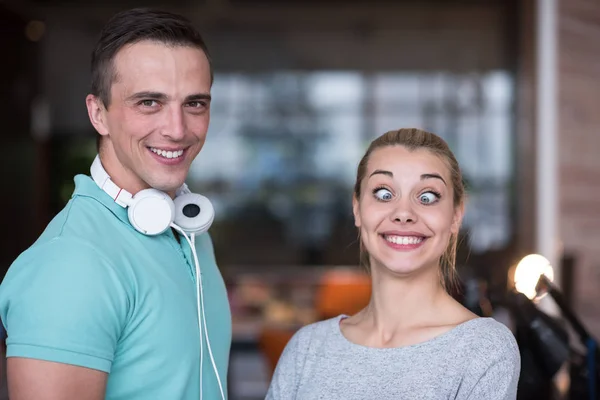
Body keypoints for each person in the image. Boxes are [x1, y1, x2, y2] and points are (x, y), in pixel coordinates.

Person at [0, 8, 231, 400]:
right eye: (148, 103)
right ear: (98, 113)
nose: (176, 130)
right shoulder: (71, 264)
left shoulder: (189, 234)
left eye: (194, 104)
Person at [266, 128, 521, 399]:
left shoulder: (483, 350)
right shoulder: (306, 349)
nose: (403, 213)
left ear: (456, 216)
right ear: (357, 208)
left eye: (427, 197)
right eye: (384, 194)